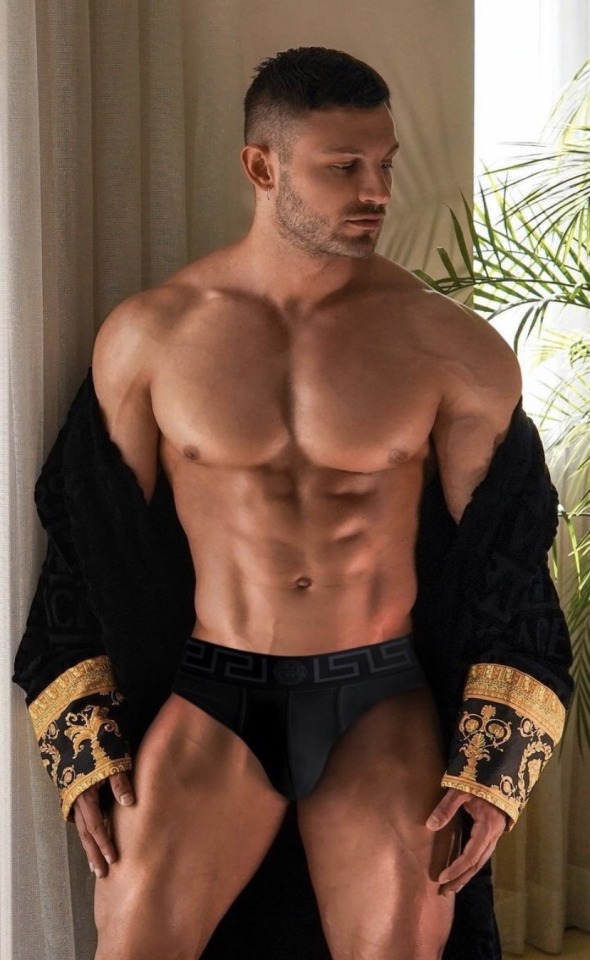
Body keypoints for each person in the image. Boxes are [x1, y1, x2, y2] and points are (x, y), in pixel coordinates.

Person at [14, 47, 573, 960]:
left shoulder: (452, 350)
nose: (376, 191)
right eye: (343, 167)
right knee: (134, 934)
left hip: (377, 698)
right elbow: (87, 546)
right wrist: (86, 745)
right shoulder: (151, 337)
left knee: (402, 938)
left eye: (385, 163)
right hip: (214, 696)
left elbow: (506, 562)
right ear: (262, 166)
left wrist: (496, 764)